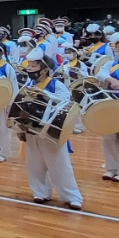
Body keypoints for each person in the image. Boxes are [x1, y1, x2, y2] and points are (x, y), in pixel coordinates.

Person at [19, 49, 83, 208]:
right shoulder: (28, 84)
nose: (30, 68)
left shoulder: (56, 84)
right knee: (34, 164)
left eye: (34, 66)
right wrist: (19, 128)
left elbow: (65, 103)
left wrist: (44, 95)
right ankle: (40, 192)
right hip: (31, 129)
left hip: (51, 129)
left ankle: (72, 196)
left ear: (45, 69)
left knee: (59, 164)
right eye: (29, 65)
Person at [95, 31, 119, 181]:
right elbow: (99, 74)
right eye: (117, 47)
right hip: (110, 103)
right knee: (108, 137)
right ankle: (111, 167)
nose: (118, 50)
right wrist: (110, 80)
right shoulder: (110, 64)